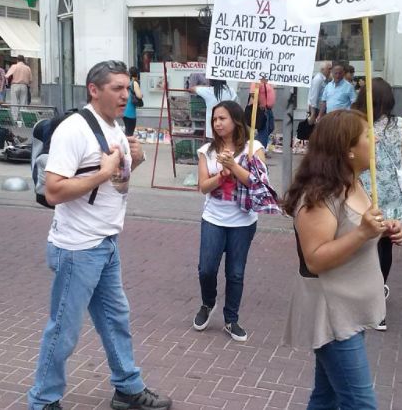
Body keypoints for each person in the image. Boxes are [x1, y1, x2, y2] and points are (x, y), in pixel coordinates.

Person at [27, 60, 171, 410]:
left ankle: (127, 388)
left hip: (105, 243)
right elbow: (54, 191)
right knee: (63, 330)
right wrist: (105, 171)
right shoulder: (73, 130)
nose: (126, 95)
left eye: (127, 87)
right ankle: (43, 401)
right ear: (94, 90)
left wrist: (132, 161)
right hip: (77, 247)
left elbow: (115, 180)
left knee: (116, 319)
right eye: (117, 88)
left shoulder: (115, 126)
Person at [283, 110, 402, 408]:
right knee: (360, 403)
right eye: (366, 135)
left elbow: (352, 229)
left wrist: (384, 229)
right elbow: (315, 258)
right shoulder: (319, 196)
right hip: (332, 313)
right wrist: (363, 233)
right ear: (347, 149)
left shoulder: (355, 182)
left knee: (326, 397)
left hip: (349, 307)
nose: (374, 138)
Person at [354, 78, 402, 331]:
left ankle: (362, 295)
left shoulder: (355, 123)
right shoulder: (400, 125)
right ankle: (376, 302)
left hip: (360, 191)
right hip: (391, 194)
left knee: (360, 244)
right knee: (385, 245)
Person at [192, 100, 265, 342]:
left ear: (235, 120)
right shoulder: (207, 151)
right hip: (213, 218)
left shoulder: (254, 148)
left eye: (222, 118)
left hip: (242, 222)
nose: (217, 123)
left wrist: (233, 165)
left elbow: (257, 182)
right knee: (206, 269)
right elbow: (203, 187)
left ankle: (231, 319)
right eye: (214, 119)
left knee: (235, 273)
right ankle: (207, 303)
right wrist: (222, 175)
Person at [248, 81, 276, 150]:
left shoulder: (267, 82)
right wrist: (260, 103)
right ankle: (260, 150)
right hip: (262, 109)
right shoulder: (257, 80)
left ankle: (254, 143)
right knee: (264, 131)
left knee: (271, 127)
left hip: (268, 109)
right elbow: (252, 93)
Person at [123, 66, 143, 136]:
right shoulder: (134, 83)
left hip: (125, 112)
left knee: (127, 131)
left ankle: (126, 145)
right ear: (137, 73)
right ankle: (127, 146)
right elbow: (139, 95)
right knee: (129, 133)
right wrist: (141, 95)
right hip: (130, 113)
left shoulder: (128, 82)